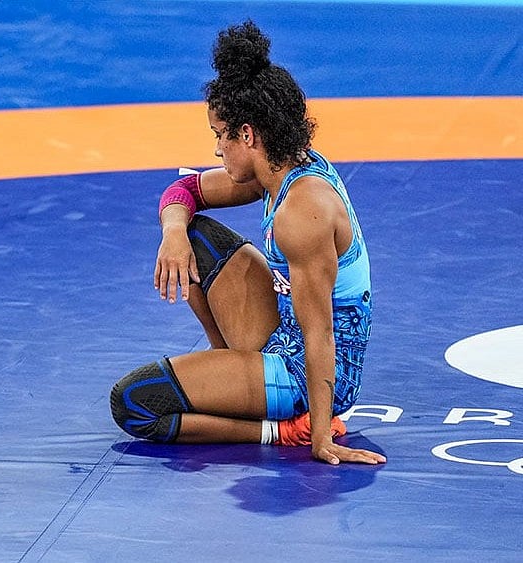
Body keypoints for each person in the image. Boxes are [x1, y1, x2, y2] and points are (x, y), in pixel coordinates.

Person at [110, 21, 386, 465]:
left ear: (247, 134)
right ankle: (232, 371)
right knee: (195, 234)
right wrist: (174, 233)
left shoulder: (303, 211)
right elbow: (183, 194)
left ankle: (280, 430)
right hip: (282, 333)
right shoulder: (276, 169)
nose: (217, 149)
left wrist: (321, 438)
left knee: (135, 401)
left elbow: (320, 335)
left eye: (219, 135)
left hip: (303, 374)